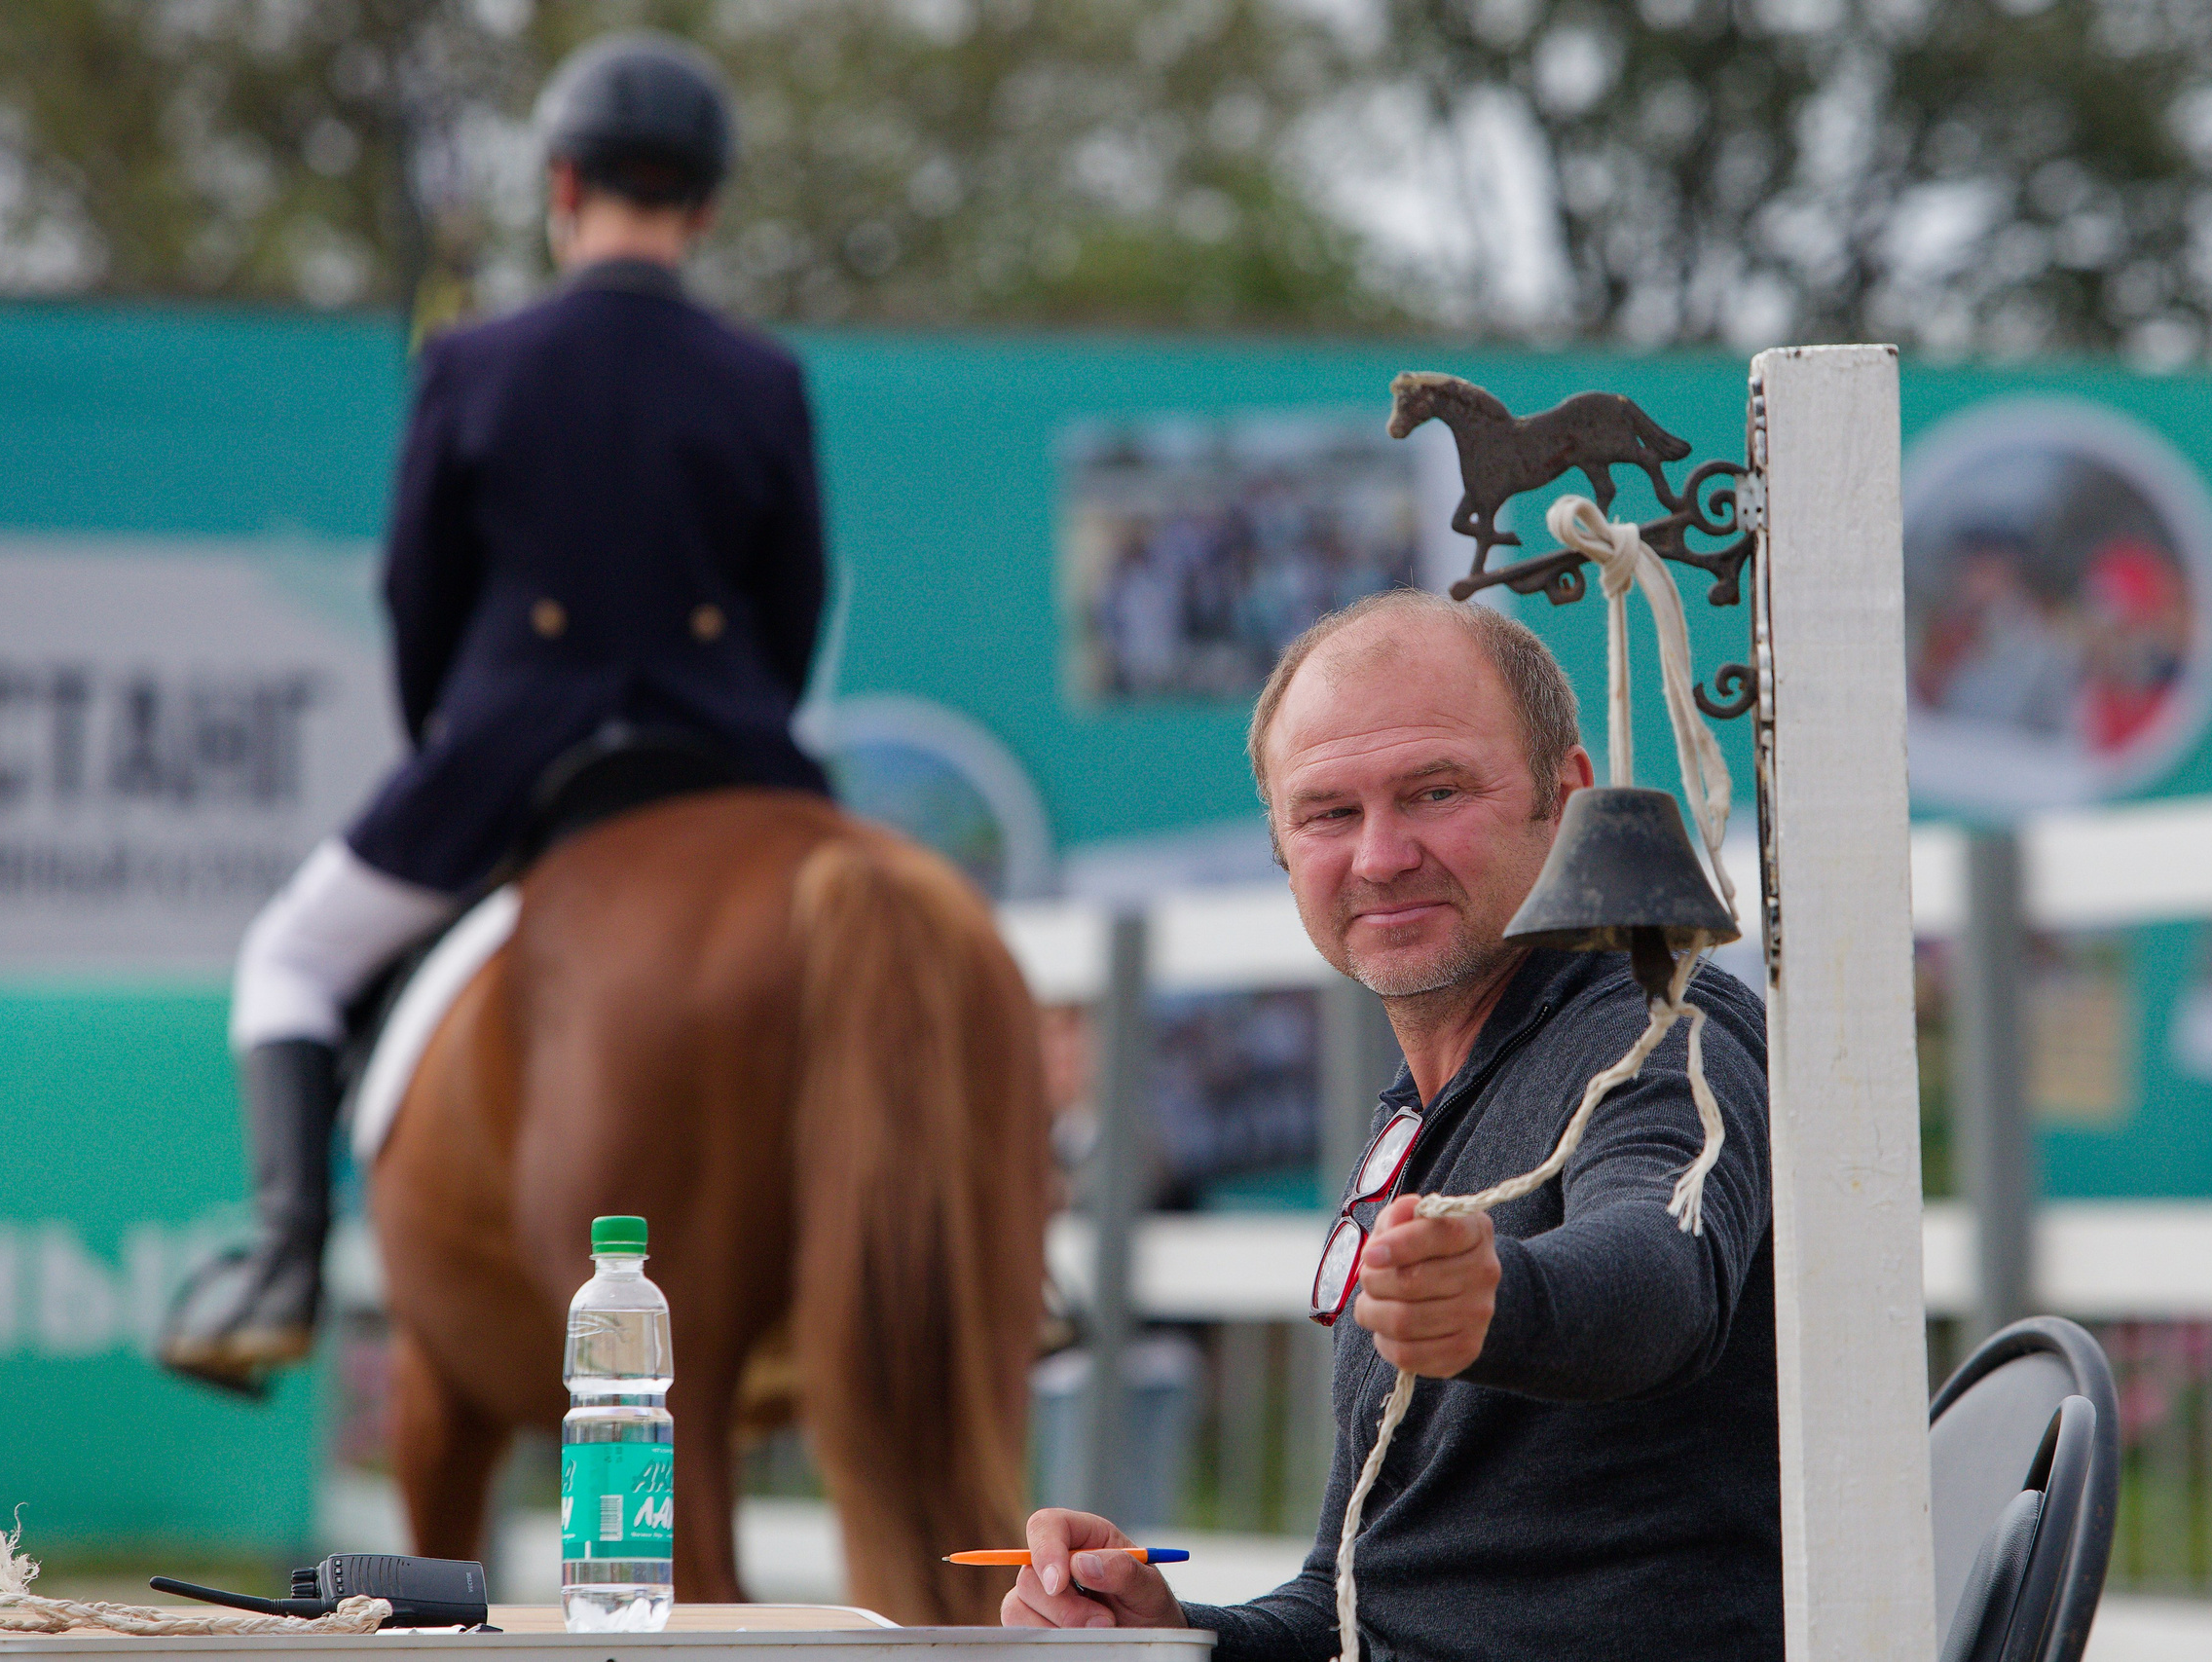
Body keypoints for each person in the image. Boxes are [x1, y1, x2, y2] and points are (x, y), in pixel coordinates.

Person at [158, 30, 830, 1393]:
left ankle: (282, 1264)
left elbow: (419, 592)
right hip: (729, 755)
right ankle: (1020, 1258)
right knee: (906, 935)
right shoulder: (765, 377)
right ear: (704, 203)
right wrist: (746, 731)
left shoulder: (472, 362)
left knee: (288, 957)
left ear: (563, 184)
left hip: (516, 752)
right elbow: (793, 601)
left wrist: (449, 742)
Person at [1004, 588, 1781, 1660]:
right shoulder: (1422, 1113)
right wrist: (1167, 1635)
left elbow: (1660, 1271)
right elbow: (1355, 1600)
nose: (1379, 856)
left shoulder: (1664, 1030)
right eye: (1328, 812)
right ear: (1281, 845)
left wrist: (1506, 1299)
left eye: (1434, 791)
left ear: (1565, 800)